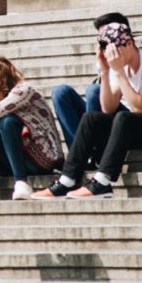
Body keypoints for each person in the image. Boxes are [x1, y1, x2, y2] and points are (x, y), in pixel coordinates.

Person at [32, 22, 142, 199]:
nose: (113, 55)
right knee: (91, 118)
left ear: (129, 43)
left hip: (135, 123)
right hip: (130, 128)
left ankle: (102, 182)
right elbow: (108, 108)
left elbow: (138, 107)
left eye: (116, 49)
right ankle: (67, 180)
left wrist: (120, 72)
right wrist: (106, 72)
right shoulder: (118, 65)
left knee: (124, 117)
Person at [0, 56, 64, 202]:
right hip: (15, 159)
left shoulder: (24, 90)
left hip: (42, 160)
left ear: (2, 71)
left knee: (7, 121)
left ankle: (21, 182)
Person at [51, 12, 131, 151]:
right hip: (102, 113)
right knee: (60, 92)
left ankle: (94, 153)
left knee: (94, 90)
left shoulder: (134, 58)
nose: (103, 42)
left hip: (125, 117)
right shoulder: (103, 60)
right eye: (100, 38)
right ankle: (80, 152)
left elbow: (112, 103)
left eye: (108, 36)